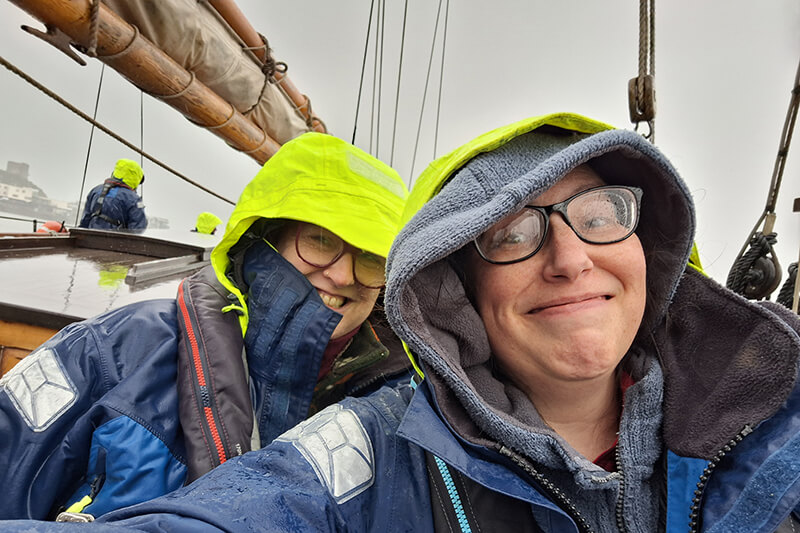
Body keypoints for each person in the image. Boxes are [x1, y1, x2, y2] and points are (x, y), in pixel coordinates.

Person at [5, 112, 800, 532]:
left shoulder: (775, 419)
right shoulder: (385, 446)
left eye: (602, 214)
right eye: (512, 233)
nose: (567, 258)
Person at [0, 132, 411, 521]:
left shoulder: (402, 408)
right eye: (320, 240)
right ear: (265, 240)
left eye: (372, 257)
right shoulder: (113, 353)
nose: (342, 275)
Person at [79, 158, 147, 230]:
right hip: (115, 240)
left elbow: (85, 222)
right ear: (136, 178)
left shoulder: (96, 190)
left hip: (91, 238)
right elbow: (138, 228)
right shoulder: (134, 199)